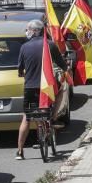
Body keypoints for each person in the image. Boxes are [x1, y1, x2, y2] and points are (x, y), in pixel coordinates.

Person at [16, 19, 67, 160]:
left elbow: (20, 70)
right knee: (61, 90)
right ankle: (53, 116)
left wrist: (24, 74)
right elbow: (62, 65)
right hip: (47, 88)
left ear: (34, 31)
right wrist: (66, 70)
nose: (26, 32)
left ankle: (20, 151)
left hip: (30, 87)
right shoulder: (50, 45)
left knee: (26, 117)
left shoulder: (24, 47)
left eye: (28, 29)